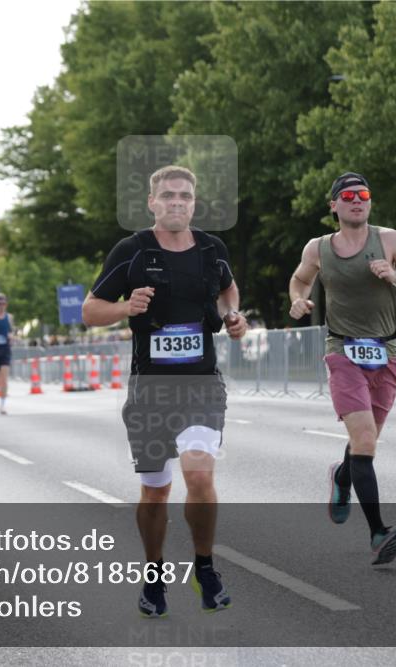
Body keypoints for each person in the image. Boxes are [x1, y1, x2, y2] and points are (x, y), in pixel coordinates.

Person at [83, 165, 248, 616]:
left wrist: (234, 317)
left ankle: (205, 567)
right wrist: (124, 308)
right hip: (150, 388)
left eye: (185, 197)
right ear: (152, 202)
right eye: (168, 196)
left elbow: (228, 290)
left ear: (194, 203)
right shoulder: (132, 250)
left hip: (201, 384)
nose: (177, 203)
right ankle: (154, 576)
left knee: (199, 473)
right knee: (155, 490)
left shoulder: (213, 249)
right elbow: (89, 310)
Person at [288, 171, 396, 565]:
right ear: (333, 205)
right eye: (348, 195)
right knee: (366, 441)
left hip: (386, 353)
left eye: (364, 194)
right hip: (343, 350)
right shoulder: (319, 248)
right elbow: (300, 280)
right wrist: (298, 301)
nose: (358, 200)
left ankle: (342, 476)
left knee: (364, 443)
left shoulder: (389, 240)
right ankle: (379, 533)